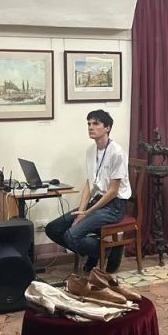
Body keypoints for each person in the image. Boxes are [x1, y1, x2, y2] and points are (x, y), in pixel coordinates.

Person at [45, 109, 132, 272]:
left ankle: (108, 250)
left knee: (71, 235)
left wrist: (87, 212)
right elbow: (89, 183)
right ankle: (100, 251)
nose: (91, 127)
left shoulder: (117, 153)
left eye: (96, 124)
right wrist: (82, 210)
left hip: (114, 206)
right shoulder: (91, 150)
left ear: (107, 128)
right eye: (89, 124)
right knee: (52, 229)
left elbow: (113, 191)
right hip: (96, 202)